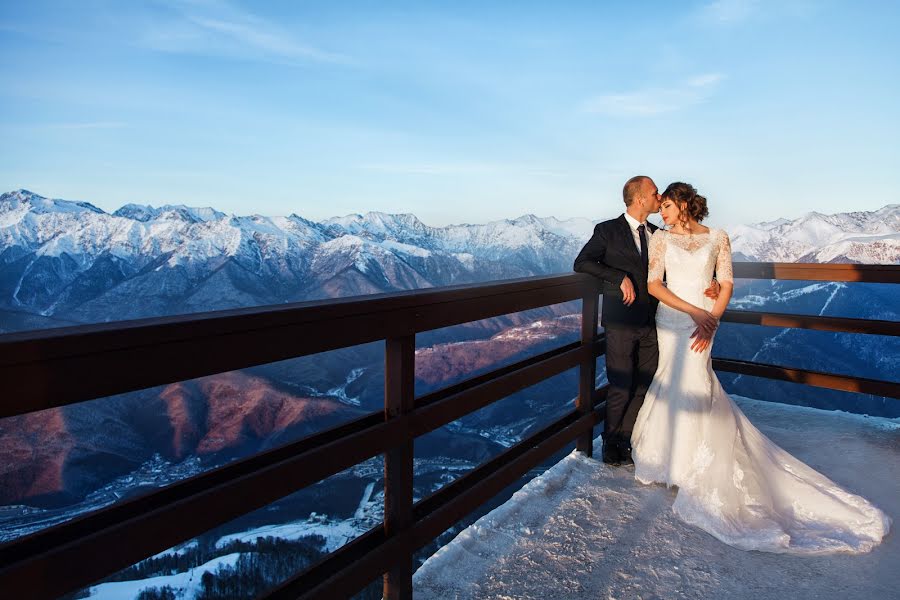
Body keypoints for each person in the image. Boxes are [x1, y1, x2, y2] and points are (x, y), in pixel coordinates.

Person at [631, 181, 891, 553]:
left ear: (684, 204)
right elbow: (654, 285)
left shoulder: (718, 237)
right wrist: (695, 312)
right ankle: (669, 460)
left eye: (668, 206)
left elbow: (727, 284)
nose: (662, 212)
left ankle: (691, 465)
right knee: (670, 379)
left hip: (705, 323)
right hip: (673, 319)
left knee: (696, 381)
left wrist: (712, 321)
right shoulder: (661, 239)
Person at [573, 176, 718, 465]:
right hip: (621, 321)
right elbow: (582, 262)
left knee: (646, 382)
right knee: (621, 384)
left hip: (655, 322)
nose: (659, 196)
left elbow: (677, 271)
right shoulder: (608, 231)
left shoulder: (659, 233)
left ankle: (627, 440)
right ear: (640, 199)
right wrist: (619, 277)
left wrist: (711, 279)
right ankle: (611, 444)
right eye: (654, 193)